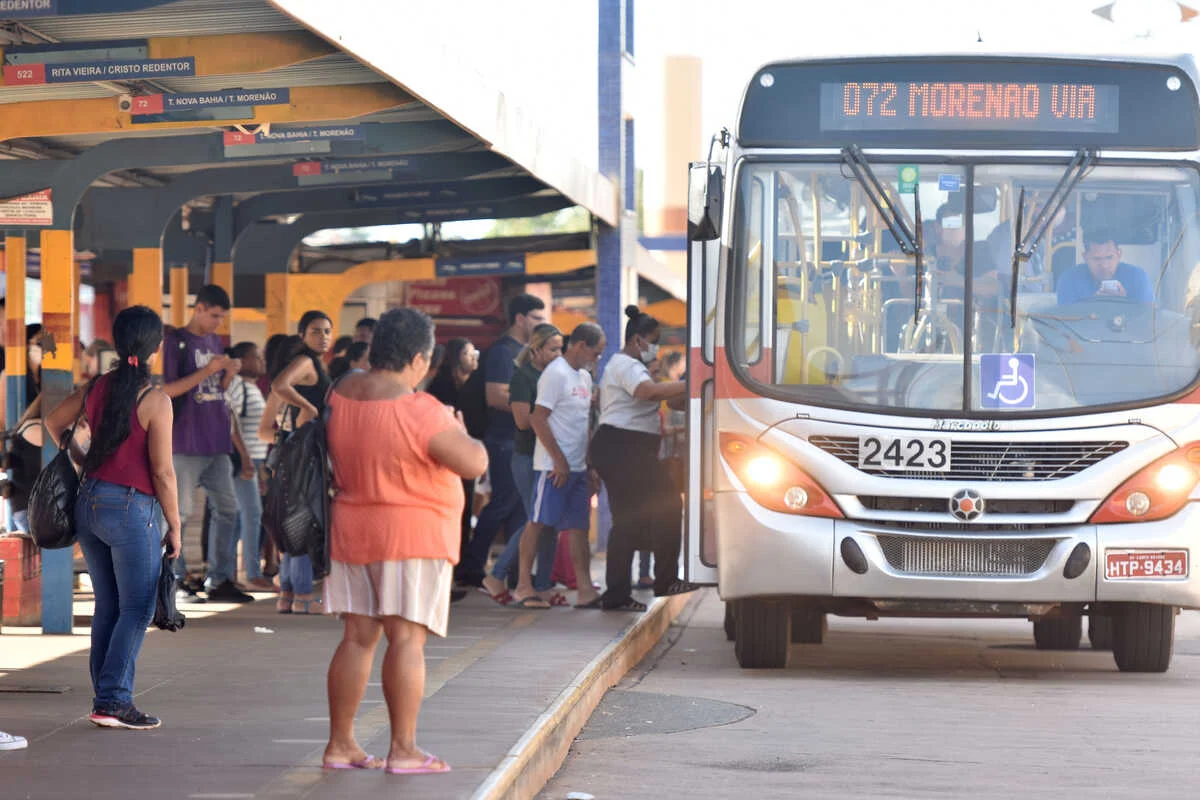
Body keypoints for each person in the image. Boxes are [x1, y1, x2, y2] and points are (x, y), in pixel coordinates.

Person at [322, 307, 487, 774]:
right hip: (411, 534)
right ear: (418, 357)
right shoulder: (419, 409)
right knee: (407, 639)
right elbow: (473, 462)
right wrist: (460, 427)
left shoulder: (342, 392)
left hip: (351, 528)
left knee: (357, 637)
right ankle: (404, 749)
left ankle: (341, 744)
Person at [45, 306, 182, 731]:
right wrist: (175, 525)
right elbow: (162, 472)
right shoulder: (155, 401)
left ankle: (105, 697)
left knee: (109, 606)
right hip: (130, 509)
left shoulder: (98, 387)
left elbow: (53, 421)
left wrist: (84, 460)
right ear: (156, 348)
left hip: (89, 502)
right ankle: (113, 701)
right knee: (137, 608)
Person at [591, 307, 697, 611]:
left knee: (630, 520)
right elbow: (648, 392)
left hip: (626, 448)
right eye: (654, 342)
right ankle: (659, 580)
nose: (657, 349)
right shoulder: (626, 364)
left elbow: (669, 397)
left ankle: (621, 592)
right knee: (665, 505)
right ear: (638, 340)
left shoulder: (630, 365)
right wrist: (693, 383)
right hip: (624, 447)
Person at [162, 285, 249, 603]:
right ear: (198, 308)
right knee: (179, 513)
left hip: (217, 440)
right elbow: (168, 390)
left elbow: (216, 391)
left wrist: (226, 374)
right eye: (214, 316)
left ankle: (221, 578)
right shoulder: (176, 342)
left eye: (222, 317)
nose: (217, 323)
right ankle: (176, 580)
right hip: (185, 440)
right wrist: (208, 370)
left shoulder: (215, 341)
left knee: (229, 510)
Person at [457, 294, 547, 588]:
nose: (541, 324)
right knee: (503, 505)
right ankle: (471, 567)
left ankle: (514, 572)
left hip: (521, 440)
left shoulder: (524, 351)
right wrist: (535, 408)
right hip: (504, 440)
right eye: (536, 318)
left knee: (521, 509)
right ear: (520, 319)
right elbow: (495, 395)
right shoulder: (502, 352)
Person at [519, 322, 605, 608]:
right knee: (538, 523)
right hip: (552, 467)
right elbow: (537, 418)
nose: (598, 359)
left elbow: (584, 425)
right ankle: (523, 586)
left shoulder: (583, 377)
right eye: (596, 352)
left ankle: (584, 589)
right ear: (580, 345)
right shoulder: (555, 374)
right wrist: (559, 460)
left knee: (579, 528)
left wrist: (590, 465)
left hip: (578, 466)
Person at [484, 323, 564, 608]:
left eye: (560, 349)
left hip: (549, 457)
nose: (558, 354)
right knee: (537, 518)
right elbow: (521, 421)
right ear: (536, 349)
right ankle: (497, 574)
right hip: (527, 456)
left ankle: (542, 584)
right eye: (553, 349)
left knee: (549, 521)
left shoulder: (555, 375)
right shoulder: (523, 377)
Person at [264, 311, 333, 614]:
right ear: (303, 335)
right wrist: (309, 407)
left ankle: (288, 595)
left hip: (297, 450)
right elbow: (280, 385)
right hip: (303, 452)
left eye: (327, 331)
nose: (324, 337)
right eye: (316, 331)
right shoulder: (306, 362)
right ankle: (303, 594)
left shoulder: (314, 363)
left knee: (293, 519)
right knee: (303, 520)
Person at [226, 342, 272, 591]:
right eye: (257, 357)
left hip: (254, 460)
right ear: (242, 360)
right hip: (244, 461)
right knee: (252, 514)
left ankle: (229, 572)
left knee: (239, 517)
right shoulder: (238, 386)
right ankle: (252, 572)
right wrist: (244, 458)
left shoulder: (251, 388)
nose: (261, 361)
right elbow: (230, 421)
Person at [1056, 228, 1154, 305]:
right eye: (1097, 259)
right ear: (1085, 257)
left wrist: (1125, 303)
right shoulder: (1069, 280)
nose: (1104, 265)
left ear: (1119, 254)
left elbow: (1148, 318)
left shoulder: (1138, 277)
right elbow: (1065, 320)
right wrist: (1094, 304)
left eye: (1109, 257)